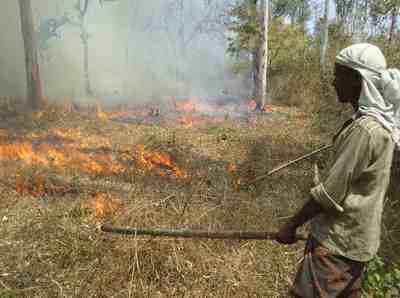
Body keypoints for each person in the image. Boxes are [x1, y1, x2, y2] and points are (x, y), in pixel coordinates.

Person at [277, 43, 400, 297]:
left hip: (336, 246)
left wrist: (289, 226)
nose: (333, 82)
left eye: (338, 75)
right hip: (359, 245)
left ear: (357, 80)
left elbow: (329, 195)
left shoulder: (365, 131)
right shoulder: (379, 126)